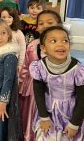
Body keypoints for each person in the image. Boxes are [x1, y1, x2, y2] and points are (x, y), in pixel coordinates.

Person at [30, 26, 84, 140]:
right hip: (48, 112)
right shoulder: (39, 67)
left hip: (72, 114)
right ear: (43, 48)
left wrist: (74, 124)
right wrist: (44, 117)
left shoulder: (78, 70)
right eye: (53, 41)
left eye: (65, 40)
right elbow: (38, 94)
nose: (61, 44)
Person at [18, 10, 62, 141]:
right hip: (33, 88)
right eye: (41, 23)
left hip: (53, 89)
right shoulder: (32, 45)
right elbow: (26, 65)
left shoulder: (61, 45)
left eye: (50, 22)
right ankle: (29, 136)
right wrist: (20, 83)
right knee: (31, 115)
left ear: (58, 24)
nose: (45, 26)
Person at [0, 7, 26, 72]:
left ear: (13, 19)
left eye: (9, 17)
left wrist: (20, 64)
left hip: (13, 64)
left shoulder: (18, 33)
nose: (6, 19)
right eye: (4, 17)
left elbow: (22, 49)